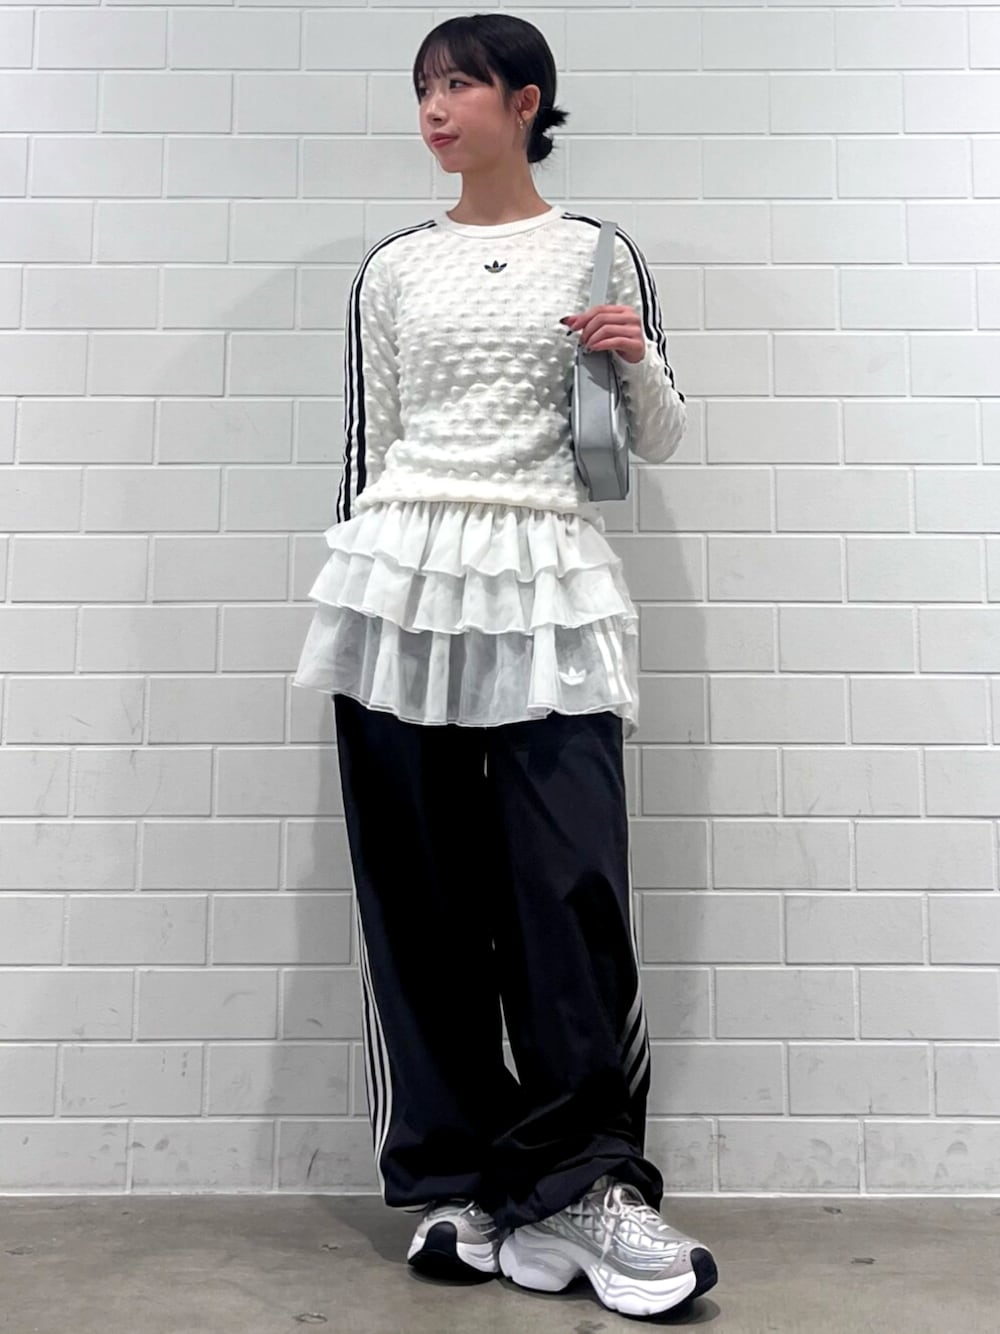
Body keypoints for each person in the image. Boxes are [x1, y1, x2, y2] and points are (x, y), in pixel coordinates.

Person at [292, 11, 718, 1320]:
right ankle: (462, 1180)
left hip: (547, 582)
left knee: (566, 882)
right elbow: (370, 451)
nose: (434, 109)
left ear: (527, 101)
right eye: (423, 87)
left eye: (461, 85)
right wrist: (361, 594)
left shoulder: (597, 250)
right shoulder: (392, 268)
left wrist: (635, 359)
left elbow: (654, 441)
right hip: (403, 583)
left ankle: (585, 1181)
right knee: (420, 891)